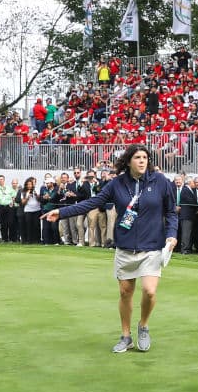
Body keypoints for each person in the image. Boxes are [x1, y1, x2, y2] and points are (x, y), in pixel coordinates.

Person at [43, 144, 178, 353]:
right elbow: (92, 202)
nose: (142, 161)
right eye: (137, 157)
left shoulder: (159, 181)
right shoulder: (116, 184)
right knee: (125, 293)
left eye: (145, 157)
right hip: (125, 247)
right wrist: (61, 213)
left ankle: (143, 325)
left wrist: (171, 234)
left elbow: (171, 212)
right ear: (128, 161)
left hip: (152, 246)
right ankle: (126, 336)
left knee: (150, 292)